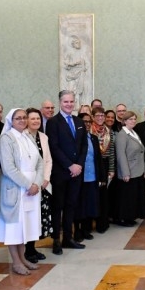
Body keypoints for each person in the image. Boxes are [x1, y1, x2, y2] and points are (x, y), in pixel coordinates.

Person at [0, 109, 43, 275]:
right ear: (11, 120)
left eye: (24, 117)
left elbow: (39, 162)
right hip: (16, 189)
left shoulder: (28, 136)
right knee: (14, 227)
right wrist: (28, 185)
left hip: (32, 189)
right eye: (18, 118)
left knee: (26, 225)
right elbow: (8, 168)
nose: (22, 120)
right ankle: (16, 261)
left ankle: (23, 257)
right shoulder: (6, 138)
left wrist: (37, 183)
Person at [46, 90, 87, 253]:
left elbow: (84, 146)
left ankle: (68, 238)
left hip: (76, 172)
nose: (69, 104)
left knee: (71, 205)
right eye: (66, 102)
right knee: (58, 206)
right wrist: (70, 165)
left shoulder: (79, 121)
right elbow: (53, 147)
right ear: (60, 103)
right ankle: (56, 239)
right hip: (61, 173)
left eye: (71, 101)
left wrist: (79, 165)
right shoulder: (53, 122)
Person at [23, 107, 51, 263]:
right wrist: (33, 182)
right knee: (28, 217)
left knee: (38, 217)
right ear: (26, 120)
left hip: (42, 184)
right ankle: (26, 250)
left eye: (38, 119)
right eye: (32, 118)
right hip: (29, 185)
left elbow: (48, 160)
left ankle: (33, 248)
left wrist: (45, 178)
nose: (35, 121)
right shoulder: (22, 137)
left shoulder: (44, 137)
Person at [76, 112, 106, 238]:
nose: (87, 124)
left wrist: (102, 177)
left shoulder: (93, 138)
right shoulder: (75, 138)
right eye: (84, 121)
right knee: (79, 205)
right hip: (79, 177)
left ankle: (86, 229)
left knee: (89, 204)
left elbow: (98, 159)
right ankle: (77, 231)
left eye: (89, 121)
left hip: (92, 176)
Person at [115, 111, 145, 225]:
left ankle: (131, 217)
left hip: (137, 170)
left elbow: (140, 152)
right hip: (129, 171)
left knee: (133, 197)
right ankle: (124, 218)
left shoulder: (133, 132)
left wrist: (144, 169)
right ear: (124, 121)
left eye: (134, 119)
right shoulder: (122, 135)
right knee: (127, 198)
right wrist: (125, 173)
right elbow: (121, 155)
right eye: (130, 119)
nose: (133, 121)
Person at [89, 107, 115, 233]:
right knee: (92, 194)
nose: (100, 118)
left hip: (104, 164)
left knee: (103, 195)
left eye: (102, 116)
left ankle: (102, 223)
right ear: (93, 117)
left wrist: (111, 169)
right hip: (92, 165)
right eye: (97, 115)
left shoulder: (109, 132)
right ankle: (89, 223)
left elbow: (111, 153)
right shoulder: (89, 130)